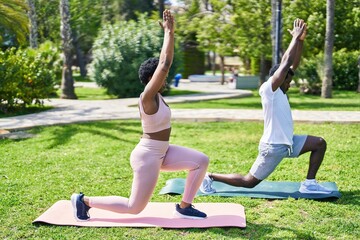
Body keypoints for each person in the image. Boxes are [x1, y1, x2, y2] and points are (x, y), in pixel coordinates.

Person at [71, 10, 210, 221]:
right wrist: (169, 33)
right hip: (147, 156)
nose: (165, 79)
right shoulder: (147, 97)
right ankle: (84, 201)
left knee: (200, 160)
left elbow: (164, 67)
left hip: (163, 151)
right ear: (153, 78)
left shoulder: (159, 97)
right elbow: (164, 64)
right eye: (162, 77)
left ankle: (184, 207)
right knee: (134, 207)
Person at [200, 19, 332, 195]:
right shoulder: (269, 90)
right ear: (279, 78)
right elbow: (286, 63)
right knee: (249, 182)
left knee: (319, 143)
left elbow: (292, 65)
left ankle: (309, 183)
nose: (290, 85)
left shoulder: (281, 91)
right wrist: (294, 39)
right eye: (288, 81)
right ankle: (209, 177)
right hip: (273, 147)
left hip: (288, 142)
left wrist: (300, 41)